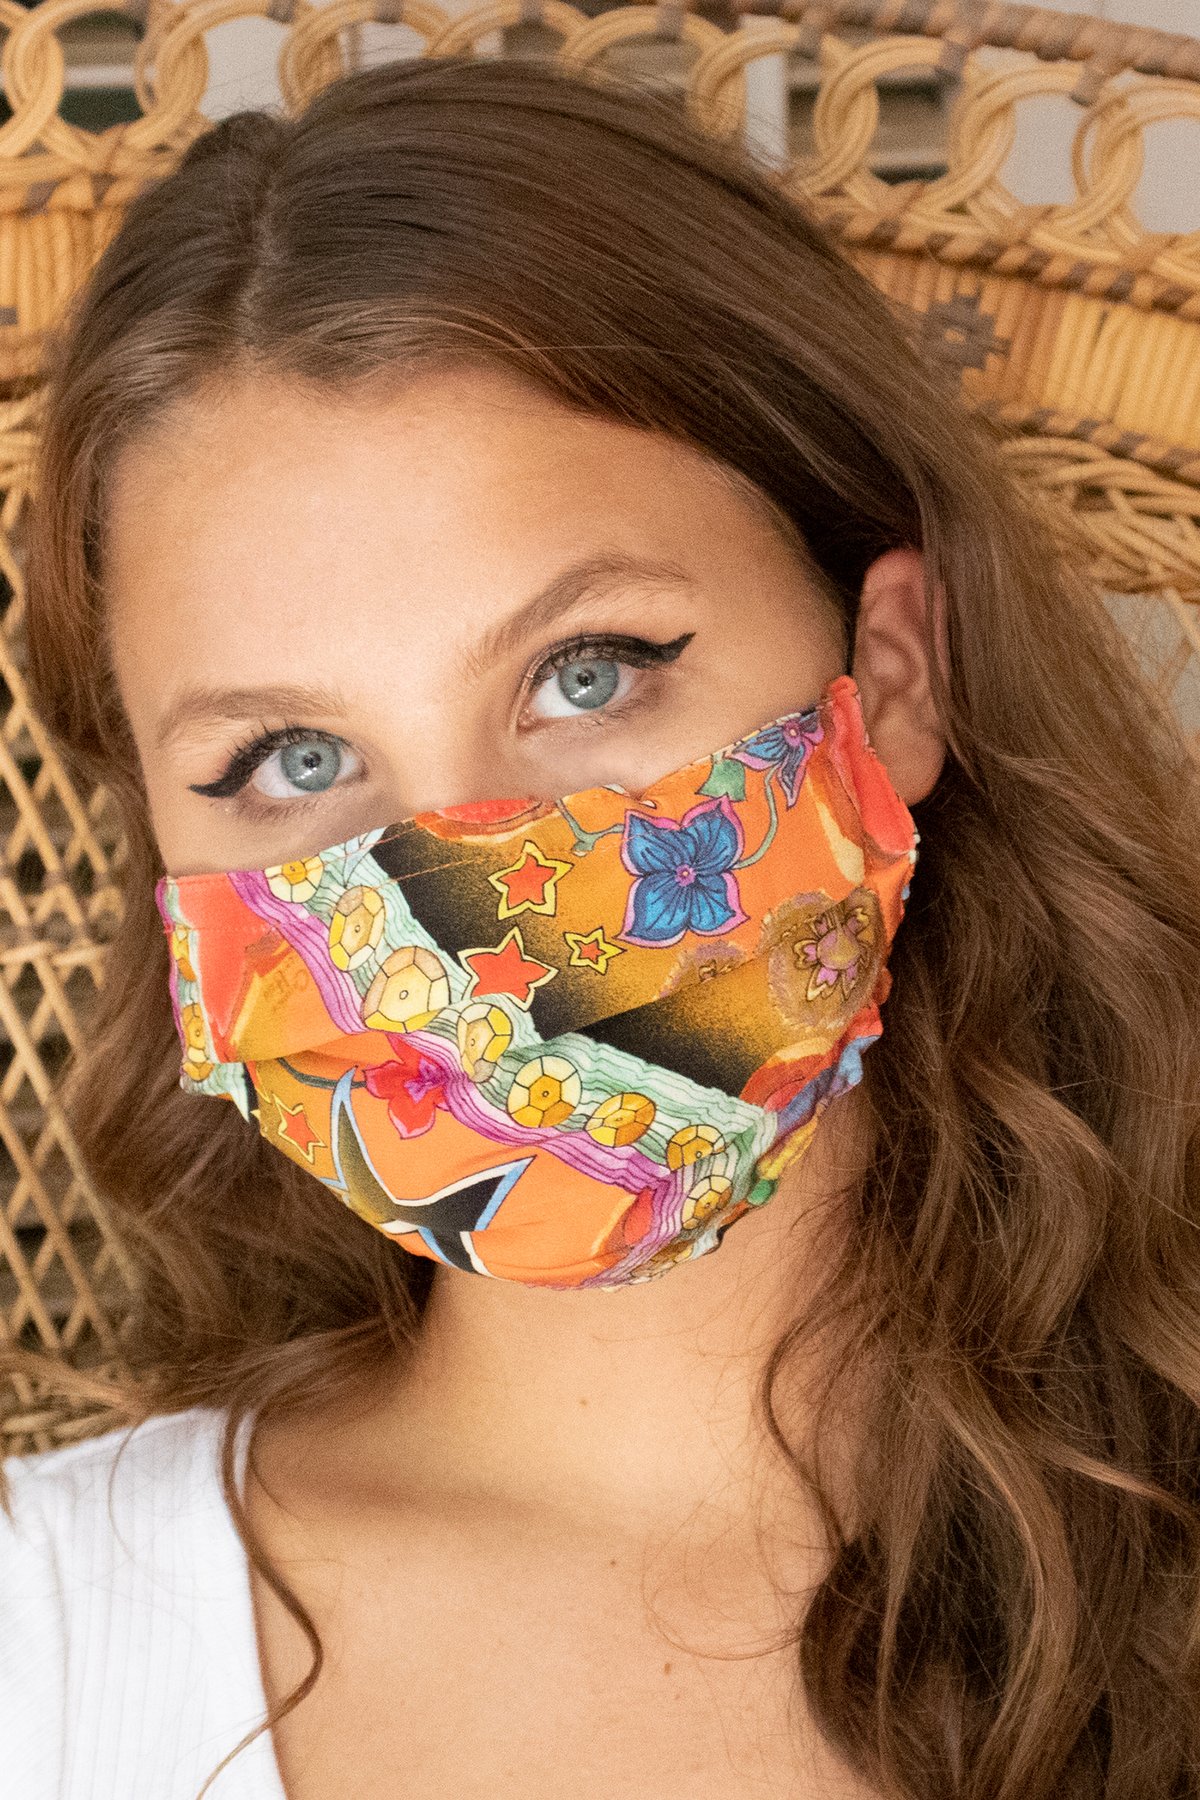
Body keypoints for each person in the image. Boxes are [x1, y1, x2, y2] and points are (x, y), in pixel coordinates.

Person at [3, 50, 1199, 1800]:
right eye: (294, 760)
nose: (466, 903)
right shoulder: (40, 1647)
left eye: (586, 672)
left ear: (890, 676)